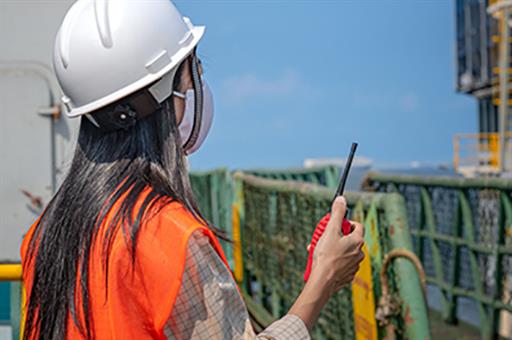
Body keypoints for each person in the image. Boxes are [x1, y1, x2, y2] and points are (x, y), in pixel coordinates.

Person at [20, 1, 365, 339]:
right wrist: (324, 279)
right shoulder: (170, 238)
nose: (199, 85)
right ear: (165, 94)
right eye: (193, 72)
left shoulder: (44, 234)